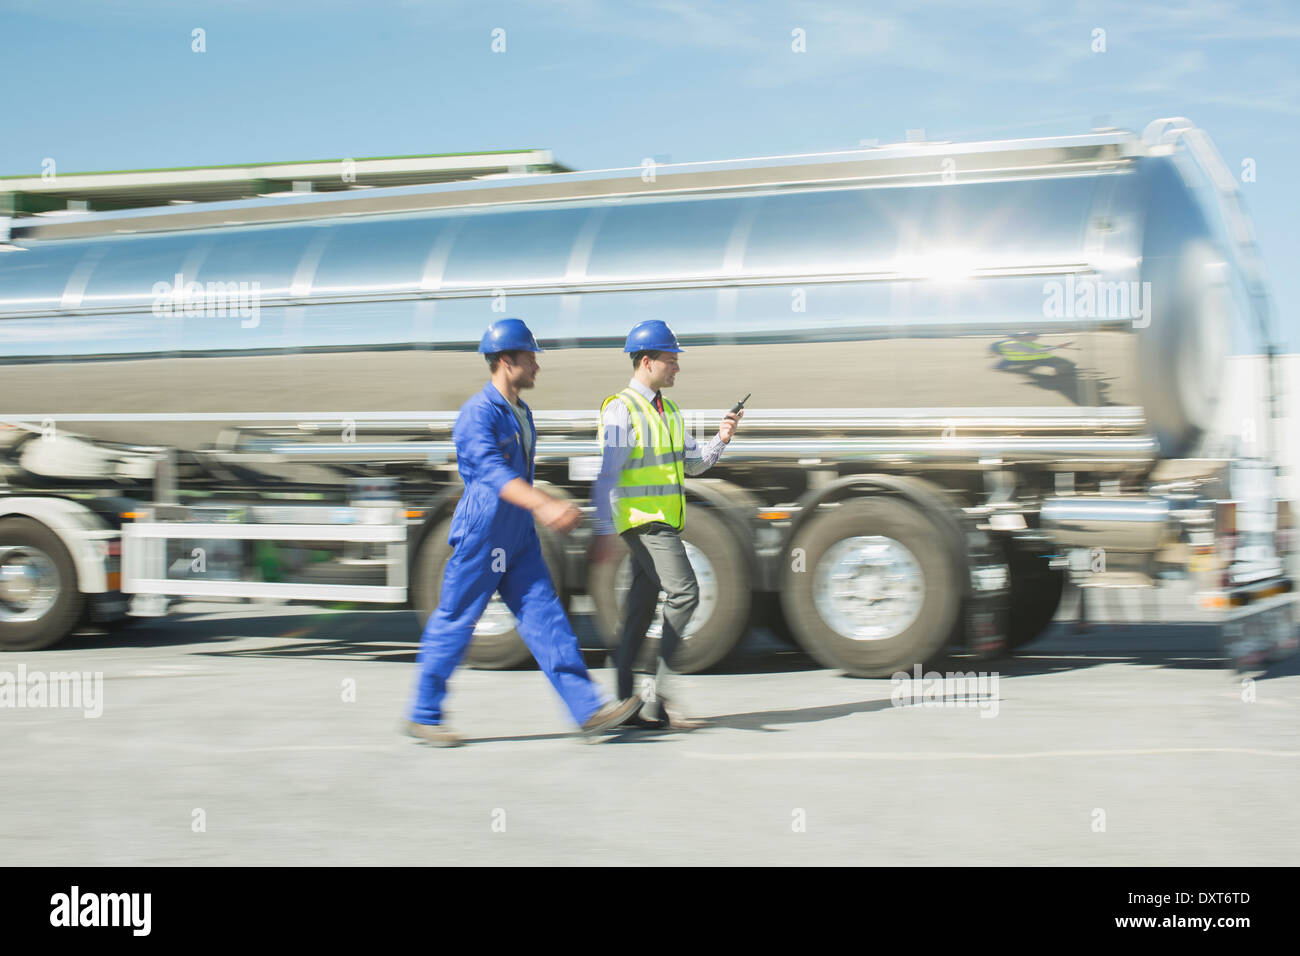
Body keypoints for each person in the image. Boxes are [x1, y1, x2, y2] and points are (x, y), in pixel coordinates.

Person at [406, 318, 641, 746]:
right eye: (530, 357)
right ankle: (423, 714)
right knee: (457, 619)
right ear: (505, 360)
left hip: (518, 536)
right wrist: (545, 504)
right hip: (483, 533)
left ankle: (589, 711)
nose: (536, 365)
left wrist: (538, 512)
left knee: (546, 618)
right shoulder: (478, 413)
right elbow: (492, 473)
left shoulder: (521, 411)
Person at [587, 320, 743, 730]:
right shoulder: (620, 408)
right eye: (670, 360)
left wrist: (722, 438)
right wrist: (603, 528)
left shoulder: (670, 411)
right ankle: (658, 698)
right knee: (686, 592)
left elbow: (693, 465)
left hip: (663, 522)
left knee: (639, 611)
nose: (677, 368)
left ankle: (626, 704)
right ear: (646, 361)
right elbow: (608, 473)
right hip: (643, 523)